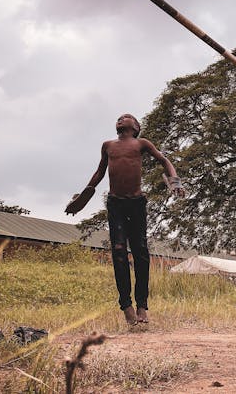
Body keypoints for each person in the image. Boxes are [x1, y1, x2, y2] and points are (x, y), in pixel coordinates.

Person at [65, 113, 184, 325]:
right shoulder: (108, 145)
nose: (121, 119)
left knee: (140, 253)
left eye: (127, 117)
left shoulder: (142, 143)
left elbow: (164, 160)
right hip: (116, 204)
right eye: (119, 117)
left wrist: (175, 182)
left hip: (136, 204)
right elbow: (99, 172)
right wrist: (84, 195)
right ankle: (126, 305)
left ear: (136, 126)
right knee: (119, 252)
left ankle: (142, 306)